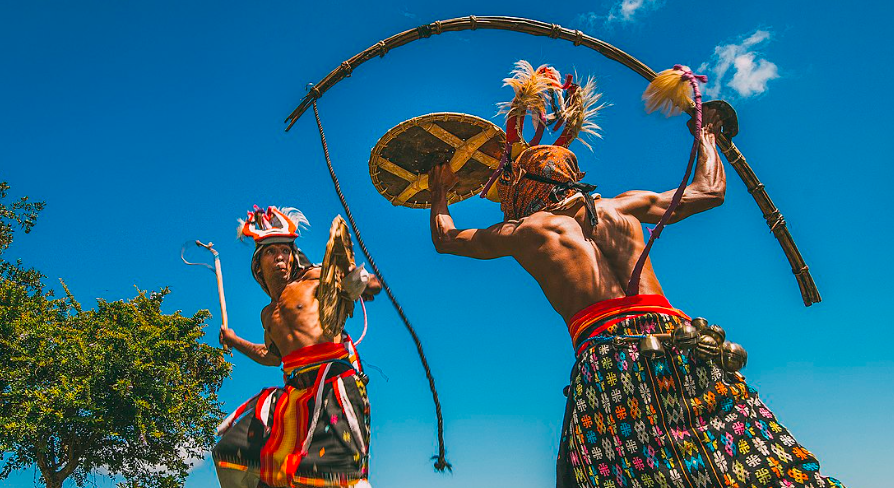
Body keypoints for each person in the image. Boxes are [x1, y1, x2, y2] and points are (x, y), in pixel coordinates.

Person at [427, 109, 844, 487]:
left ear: (526, 187)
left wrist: (440, 190)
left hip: (609, 356)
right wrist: (708, 134)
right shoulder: (624, 207)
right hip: (680, 340)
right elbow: (709, 190)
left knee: (618, 470)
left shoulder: (527, 232)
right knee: (734, 451)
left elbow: (445, 239)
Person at [213, 205, 381, 488]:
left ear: (293, 257)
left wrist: (357, 280)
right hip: (293, 394)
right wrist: (233, 341)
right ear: (258, 265)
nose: (280, 256)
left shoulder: (314, 277)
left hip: (332, 385)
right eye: (270, 251)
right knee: (230, 454)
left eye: (284, 250)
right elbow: (271, 356)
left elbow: (372, 286)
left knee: (333, 476)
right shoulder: (268, 315)